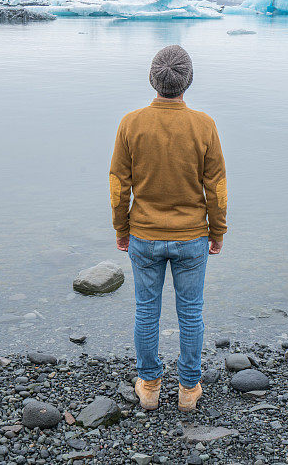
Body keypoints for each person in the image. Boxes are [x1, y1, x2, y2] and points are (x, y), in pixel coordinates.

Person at [109, 45, 227, 412]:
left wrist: (121, 228)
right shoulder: (204, 124)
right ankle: (189, 389)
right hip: (192, 236)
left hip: (144, 235)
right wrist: (218, 231)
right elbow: (217, 186)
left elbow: (118, 184)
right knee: (191, 312)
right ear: (187, 81)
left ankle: (149, 386)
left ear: (152, 78)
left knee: (147, 311)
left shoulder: (131, 123)